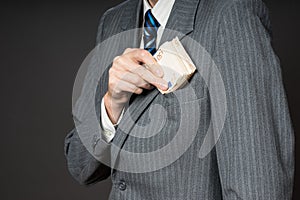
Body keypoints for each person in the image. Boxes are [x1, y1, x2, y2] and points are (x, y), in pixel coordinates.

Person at [64, 0, 295, 199]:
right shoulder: (112, 21)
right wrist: (111, 105)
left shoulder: (231, 14)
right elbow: (80, 166)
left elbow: (257, 188)